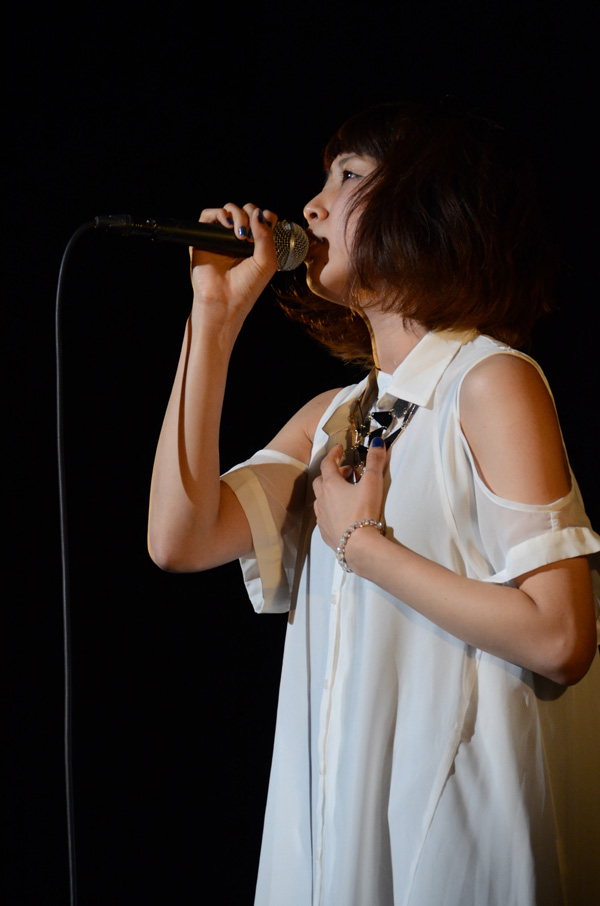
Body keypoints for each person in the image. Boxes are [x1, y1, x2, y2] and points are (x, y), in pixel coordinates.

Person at [147, 100, 600, 906]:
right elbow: (178, 538)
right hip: (333, 848)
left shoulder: (490, 382)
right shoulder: (331, 418)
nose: (311, 205)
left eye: (348, 176)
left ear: (429, 204)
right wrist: (212, 318)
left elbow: (562, 635)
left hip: (456, 852)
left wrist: (365, 547)